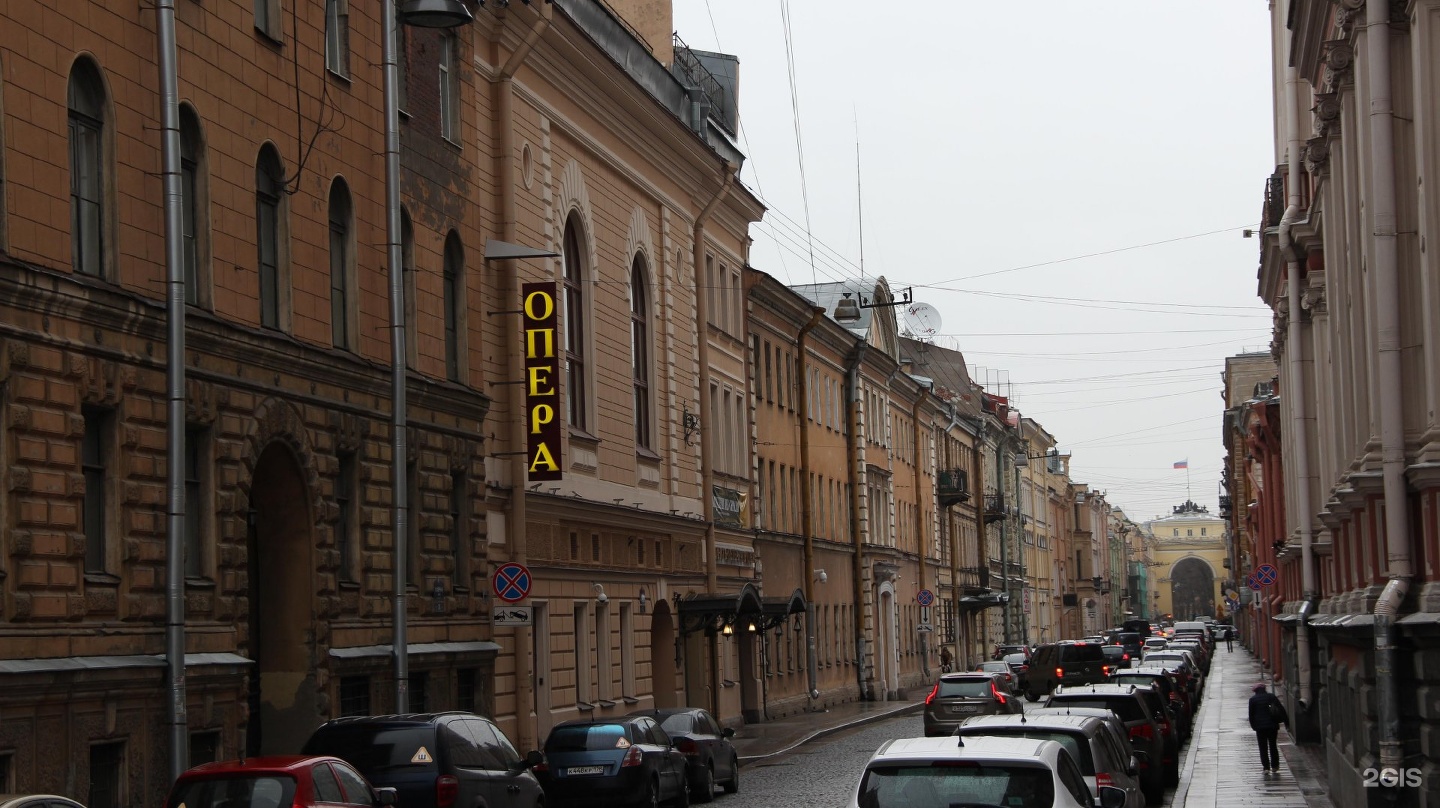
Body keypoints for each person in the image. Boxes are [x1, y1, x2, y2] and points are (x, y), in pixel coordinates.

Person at [1248, 682, 1288, 773]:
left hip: (1260, 727)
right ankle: (1275, 766)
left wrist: (1254, 726)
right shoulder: (1271, 697)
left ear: (1255, 691)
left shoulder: (1252, 700)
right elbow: (1281, 709)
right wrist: (1286, 722)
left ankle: (1266, 767)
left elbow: (1251, 715)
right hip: (1272, 726)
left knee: (1263, 747)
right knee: (1273, 745)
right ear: (1264, 689)